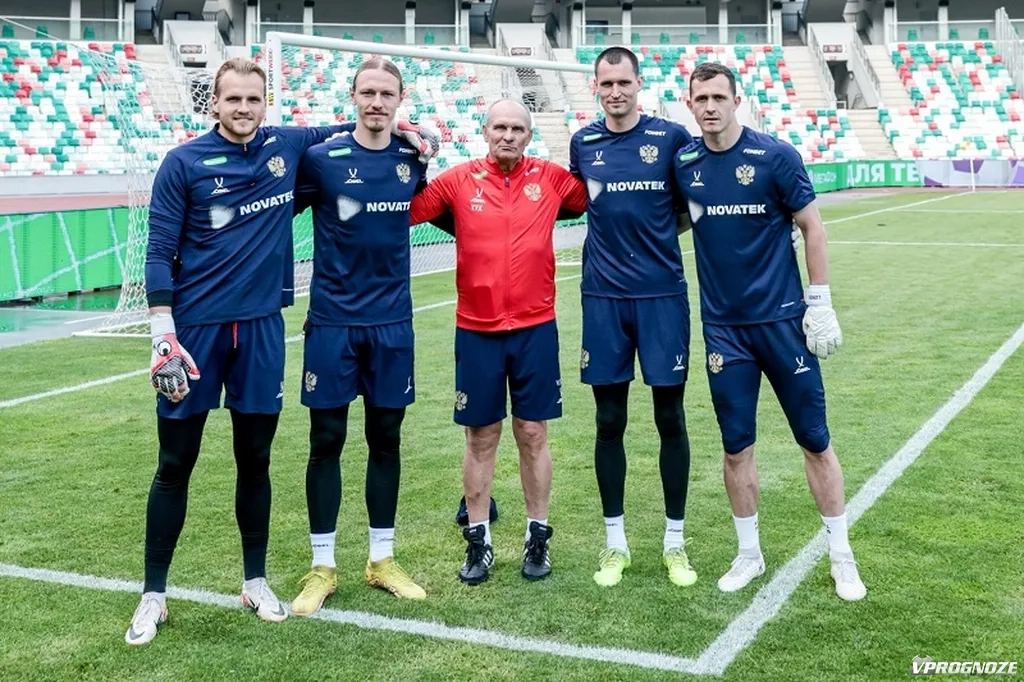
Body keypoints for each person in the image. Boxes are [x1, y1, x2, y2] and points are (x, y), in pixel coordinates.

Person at [129, 57, 437, 645]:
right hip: (194, 332)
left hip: (262, 329)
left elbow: (352, 127)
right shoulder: (182, 163)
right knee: (175, 462)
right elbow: (159, 249)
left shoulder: (286, 146)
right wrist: (161, 332)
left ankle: (255, 582)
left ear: (265, 103)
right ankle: (153, 595)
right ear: (214, 102)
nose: (243, 108)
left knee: (256, 459)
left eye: (253, 99)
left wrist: (407, 128)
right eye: (233, 99)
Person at [672, 62, 866, 601]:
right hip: (725, 332)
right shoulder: (685, 163)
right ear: (689, 105)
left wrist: (819, 301)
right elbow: (675, 218)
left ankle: (842, 555)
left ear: (737, 101)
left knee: (815, 441)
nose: (710, 106)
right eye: (701, 98)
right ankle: (749, 554)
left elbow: (812, 226)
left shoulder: (775, 156)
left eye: (719, 97)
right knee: (736, 448)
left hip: (784, 326)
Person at [410, 99, 588, 585]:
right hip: (477, 329)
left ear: (529, 135)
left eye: (517, 129)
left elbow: (598, 195)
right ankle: (479, 541)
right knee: (481, 436)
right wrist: (411, 157)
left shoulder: (550, 179)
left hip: (535, 327)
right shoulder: (458, 181)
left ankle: (537, 536)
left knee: (532, 433)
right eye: (500, 128)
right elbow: (409, 209)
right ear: (485, 132)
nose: (508, 136)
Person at [288, 58, 431, 616]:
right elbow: (275, 217)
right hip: (332, 323)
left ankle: (381, 560)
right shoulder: (321, 161)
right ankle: (322, 567)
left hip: (392, 323)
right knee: (325, 440)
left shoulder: (411, 159)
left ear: (400, 99)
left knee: (386, 439)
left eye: (386, 94)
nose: (376, 102)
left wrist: (422, 139)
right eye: (368, 92)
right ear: (352, 95)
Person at [568, 46, 698, 588]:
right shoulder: (583, 143)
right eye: (607, 83)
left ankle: (675, 542)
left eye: (624, 82)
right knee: (609, 421)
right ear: (596, 87)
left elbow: (692, 206)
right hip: (603, 299)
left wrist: (657, 240)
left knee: (670, 417)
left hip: (661, 297)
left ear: (639, 84)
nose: (615, 92)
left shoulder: (671, 138)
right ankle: (615, 544)